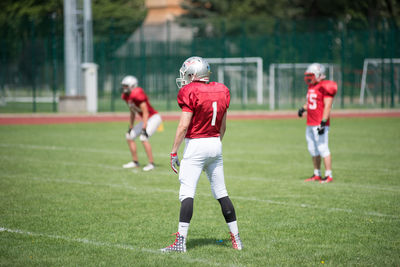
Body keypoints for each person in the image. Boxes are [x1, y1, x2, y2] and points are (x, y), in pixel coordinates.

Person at [161, 56, 242, 252]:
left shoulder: (189, 91)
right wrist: (213, 144)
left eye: (187, 74)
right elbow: (223, 126)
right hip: (215, 143)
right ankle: (237, 240)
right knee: (221, 193)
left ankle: (180, 242)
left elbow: (183, 126)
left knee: (187, 193)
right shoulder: (222, 90)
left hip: (196, 145)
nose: (185, 78)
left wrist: (173, 151)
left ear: (193, 73)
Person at [298, 63, 338, 183]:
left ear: (318, 75)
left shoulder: (325, 87)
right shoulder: (312, 87)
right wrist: (303, 109)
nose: (309, 78)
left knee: (322, 148)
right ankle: (317, 174)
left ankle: (328, 175)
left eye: (311, 75)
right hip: (310, 122)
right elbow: (311, 103)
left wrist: (323, 122)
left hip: (319, 123)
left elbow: (328, 107)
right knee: (312, 149)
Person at [121, 75, 162, 172]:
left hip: (153, 117)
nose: (124, 88)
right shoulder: (126, 96)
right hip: (146, 118)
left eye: (126, 86)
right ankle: (135, 162)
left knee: (143, 137)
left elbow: (145, 112)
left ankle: (151, 163)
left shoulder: (137, 94)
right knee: (129, 136)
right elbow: (132, 112)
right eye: (123, 86)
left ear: (132, 86)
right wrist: (130, 126)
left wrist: (144, 128)